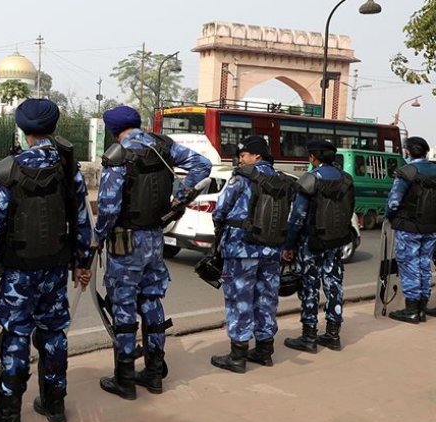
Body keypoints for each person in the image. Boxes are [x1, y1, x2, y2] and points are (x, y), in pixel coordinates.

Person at [0, 99, 92, 422]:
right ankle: (55, 405)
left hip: (19, 271)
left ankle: (8, 418)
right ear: (53, 128)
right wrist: (81, 262)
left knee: (16, 336)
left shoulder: (10, 169)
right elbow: (82, 219)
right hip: (55, 267)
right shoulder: (69, 167)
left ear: (23, 130)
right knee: (53, 334)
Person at [95, 106, 211, 399]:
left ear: (113, 130)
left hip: (125, 241)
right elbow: (202, 165)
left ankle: (124, 379)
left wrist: (97, 238)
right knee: (151, 300)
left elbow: (108, 208)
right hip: (155, 237)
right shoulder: (163, 145)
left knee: (123, 305)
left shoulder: (118, 155)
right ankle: (154, 373)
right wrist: (179, 198)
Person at [211, 135, 292, 374]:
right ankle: (264, 351)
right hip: (271, 249)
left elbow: (220, 209)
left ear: (257, 155)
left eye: (243, 155)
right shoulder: (283, 180)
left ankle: (238, 355)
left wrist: (219, 228)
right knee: (267, 298)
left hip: (241, 249)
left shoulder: (242, 177)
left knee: (240, 299)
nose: (240, 159)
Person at [282, 140, 355, 352]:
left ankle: (309, 336)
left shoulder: (310, 179)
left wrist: (288, 245)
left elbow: (297, 217)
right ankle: (333, 334)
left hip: (311, 243)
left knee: (309, 287)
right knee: (334, 285)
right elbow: (350, 209)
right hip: (336, 241)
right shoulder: (346, 179)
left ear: (313, 157)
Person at [385, 136, 436, 324]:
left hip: (409, 226)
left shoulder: (406, 172)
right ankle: (422, 307)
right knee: (424, 264)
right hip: (431, 226)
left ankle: (412, 310)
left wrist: (389, 217)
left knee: (409, 265)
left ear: (407, 151)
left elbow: (394, 201)